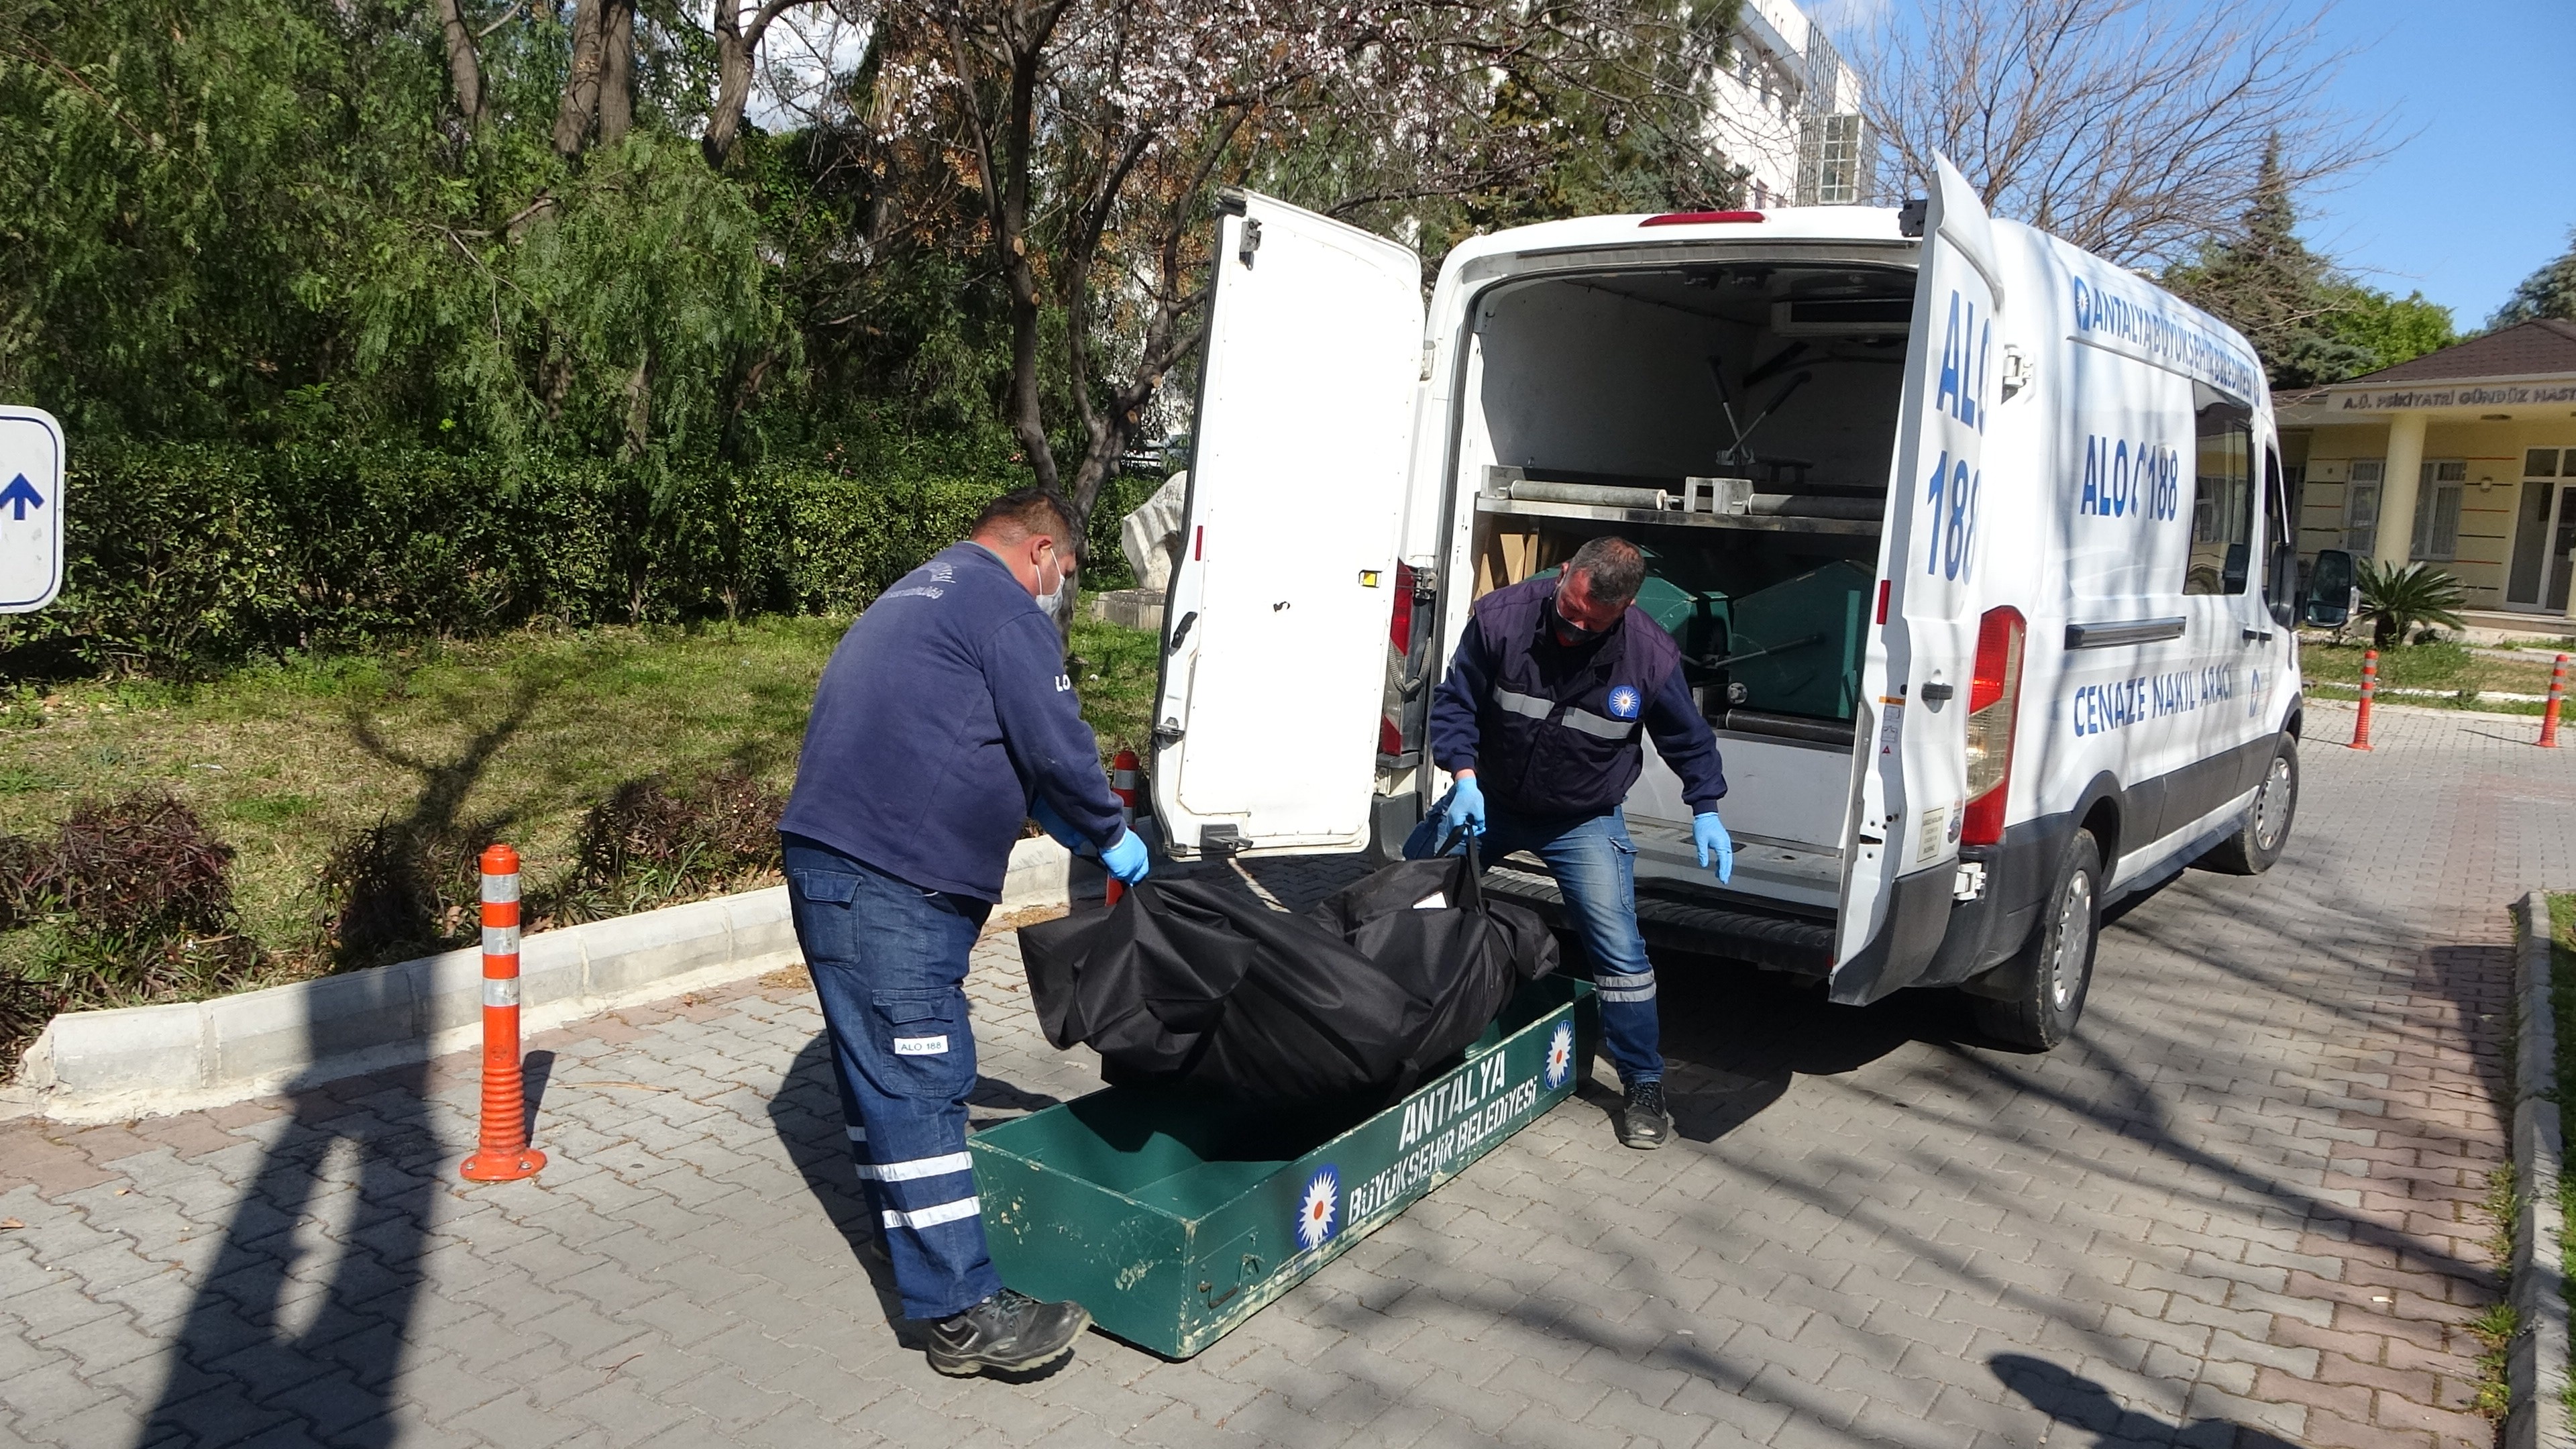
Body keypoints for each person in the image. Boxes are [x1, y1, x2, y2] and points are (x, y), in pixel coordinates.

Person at [777, 487, 1150, 1377]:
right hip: (890, 879)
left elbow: (955, 731)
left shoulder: (921, 588)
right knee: (922, 1081)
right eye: (1064, 573)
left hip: (837, 864)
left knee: (882, 1083)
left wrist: (1038, 811)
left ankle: (916, 1257)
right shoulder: (1003, 606)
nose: (1058, 590)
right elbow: (1057, 738)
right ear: (1042, 552)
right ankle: (963, 1314)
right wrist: (1107, 830)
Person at [1406, 535, 1731, 1150]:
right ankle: (1388, 1025)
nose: (1575, 628)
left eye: (1593, 624)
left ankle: (1642, 1083)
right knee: (1410, 888)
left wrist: (1706, 808)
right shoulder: (1501, 618)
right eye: (1571, 610)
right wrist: (1463, 779)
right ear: (1564, 575)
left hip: (1581, 817)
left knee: (1620, 951)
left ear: (1627, 608)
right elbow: (1456, 704)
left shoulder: (1649, 657)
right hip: (1491, 799)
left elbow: (1689, 740)